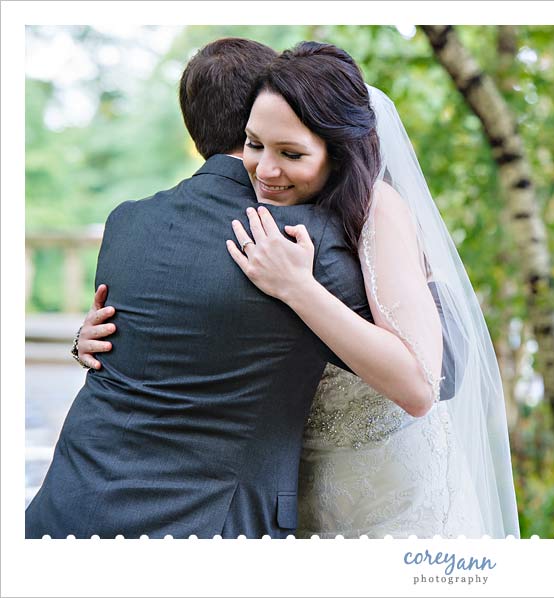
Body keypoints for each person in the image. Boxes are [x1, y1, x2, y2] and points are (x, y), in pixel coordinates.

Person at [78, 41, 521, 538]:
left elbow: (427, 381)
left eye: (291, 151)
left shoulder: (371, 213)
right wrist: (100, 341)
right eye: (254, 143)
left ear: (335, 148)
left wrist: (298, 287)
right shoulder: (255, 223)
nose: (265, 169)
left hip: (384, 493)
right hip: (291, 491)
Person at [25, 38, 373, 539]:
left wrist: (80, 344)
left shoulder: (126, 221)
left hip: (64, 511)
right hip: (207, 528)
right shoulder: (299, 239)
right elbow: (437, 374)